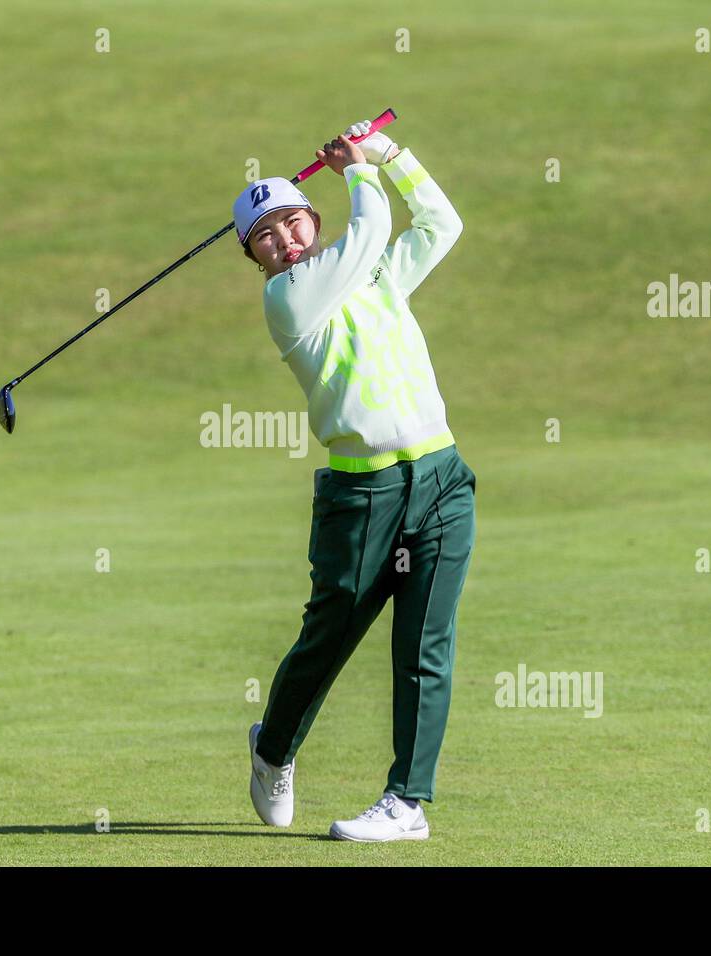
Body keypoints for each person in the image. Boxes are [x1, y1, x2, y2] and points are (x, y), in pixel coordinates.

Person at [232, 119, 476, 842]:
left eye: (292, 222)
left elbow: (441, 222)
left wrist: (392, 156)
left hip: (439, 480)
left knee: (425, 645)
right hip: (361, 496)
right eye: (266, 237)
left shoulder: (371, 277)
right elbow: (368, 233)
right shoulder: (290, 302)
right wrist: (356, 169)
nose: (285, 240)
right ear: (256, 258)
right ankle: (273, 750)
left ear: (312, 220)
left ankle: (407, 802)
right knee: (328, 640)